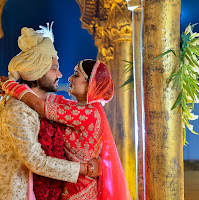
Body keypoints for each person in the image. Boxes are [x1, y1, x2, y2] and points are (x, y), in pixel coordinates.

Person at [1, 57, 131, 199]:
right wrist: (12, 93)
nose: (69, 78)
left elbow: (39, 105)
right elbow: (39, 98)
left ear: (90, 83)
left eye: (76, 75)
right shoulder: (75, 107)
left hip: (82, 190)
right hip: (70, 185)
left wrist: (9, 85)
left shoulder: (89, 112)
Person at [0, 24, 99, 200]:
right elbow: (37, 161)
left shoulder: (40, 105)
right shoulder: (19, 110)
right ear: (36, 72)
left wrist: (8, 83)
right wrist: (85, 169)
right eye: (54, 68)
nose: (60, 74)